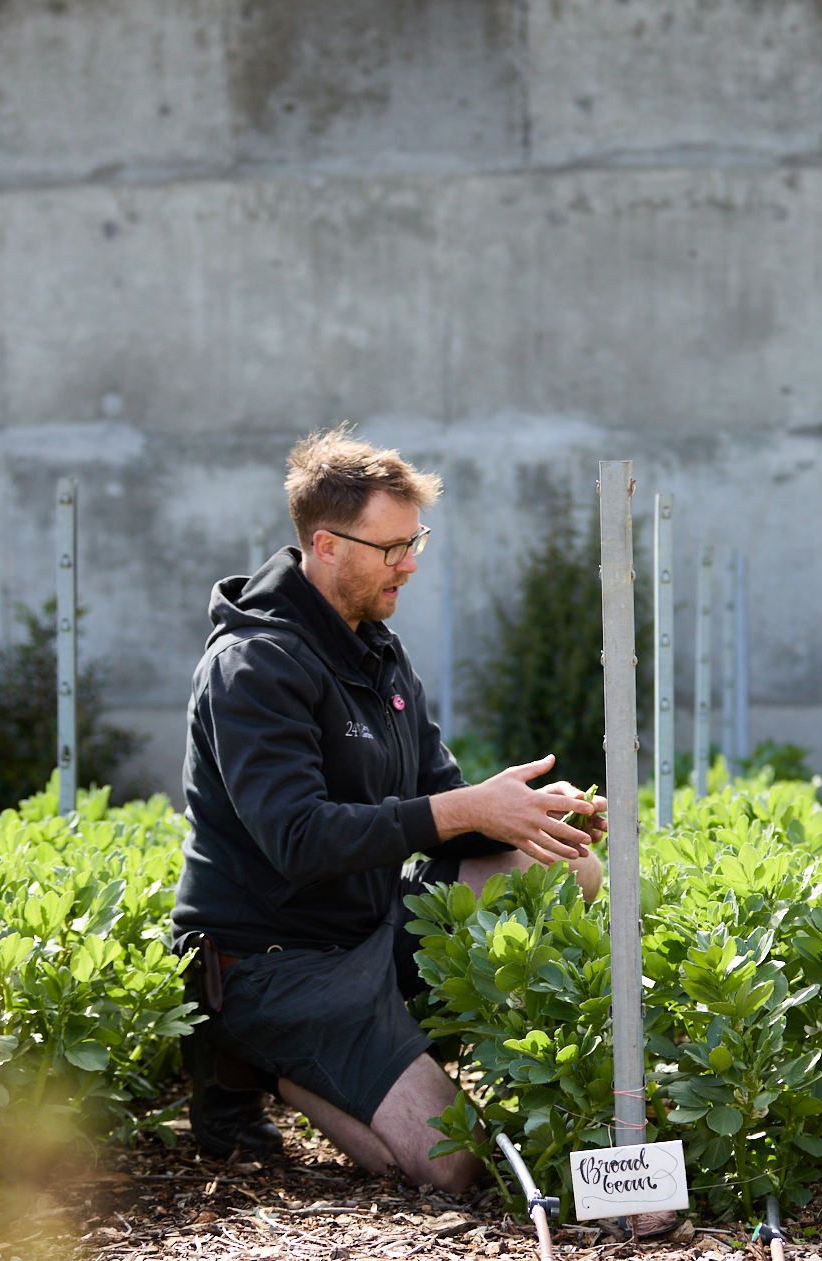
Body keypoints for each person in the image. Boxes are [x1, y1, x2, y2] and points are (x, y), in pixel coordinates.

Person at [171, 426, 605, 1191]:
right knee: (457, 1165)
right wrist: (463, 806)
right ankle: (259, 1065)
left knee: (569, 870)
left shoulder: (375, 646)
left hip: (368, 930)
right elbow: (299, 839)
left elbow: (439, 799)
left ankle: (389, 1052)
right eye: (392, 546)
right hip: (277, 966)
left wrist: (524, 810)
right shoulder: (253, 666)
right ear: (325, 545)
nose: (409, 563)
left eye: (416, 540)